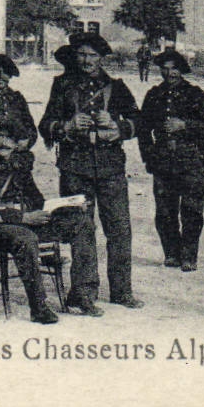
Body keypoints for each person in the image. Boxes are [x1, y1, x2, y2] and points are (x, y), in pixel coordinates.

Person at [38, 34, 144, 308]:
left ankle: (122, 291)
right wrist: (67, 126)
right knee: (81, 228)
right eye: (82, 55)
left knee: (119, 229)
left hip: (110, 167)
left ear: (102, 58)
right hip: (75, 166)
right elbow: (45, 124)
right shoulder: (62, 86)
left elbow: (139, 121)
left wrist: (117, 126)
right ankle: (84, 293)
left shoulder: (116, 87)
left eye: (93, 55)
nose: (86, 61)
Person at [0, 122, 99, 320]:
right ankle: (39, 307)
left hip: (29, 222)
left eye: (9, 138)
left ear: (17, 142)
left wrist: (68, 207)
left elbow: (37, 200)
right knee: (26, 238)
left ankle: (82, 295)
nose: (4, 142)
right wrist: (24, 217)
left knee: (82, 222)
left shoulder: (20, 163)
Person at [137, 48, 204, 271]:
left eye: (175, 69)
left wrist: (185, 125)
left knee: (191, 210)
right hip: (162, 160)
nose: (170, 74)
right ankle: (171, 253)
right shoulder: (154, 95)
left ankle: (189, 255)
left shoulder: (195, 94)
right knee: (165, 211)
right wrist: (148, 156)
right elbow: (143, 129)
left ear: (182, 70)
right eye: (165, 69)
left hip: (190, 159)